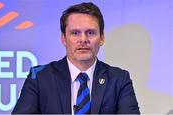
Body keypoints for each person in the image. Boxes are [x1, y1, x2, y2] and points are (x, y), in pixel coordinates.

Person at [12, 2, 140, 114]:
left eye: (90, 33)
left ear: (102, 38)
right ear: (63, 39)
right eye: (75, 33)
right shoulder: (40, 78)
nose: (83, 40)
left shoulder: (119, 79)